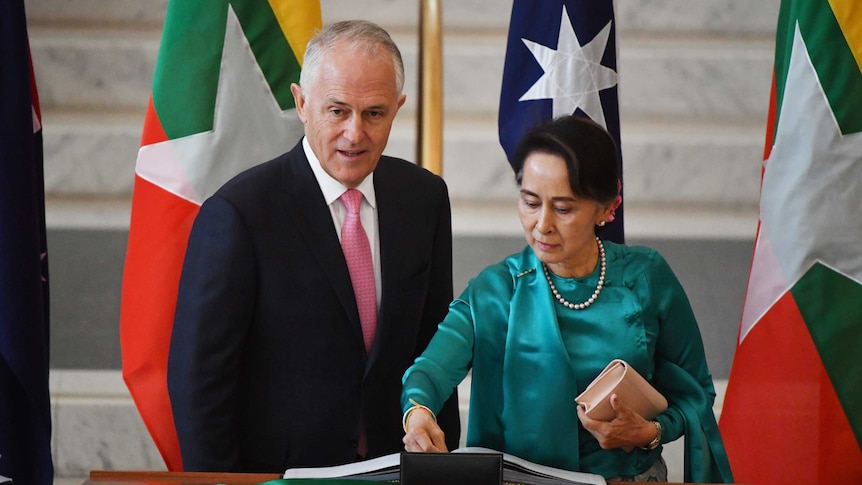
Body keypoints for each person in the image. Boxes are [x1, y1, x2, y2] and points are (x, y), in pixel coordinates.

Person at [167, 20, 461, 473]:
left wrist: (441, 471)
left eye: (374, 113)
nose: (355, 134)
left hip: (397, 470)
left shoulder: (424, 198)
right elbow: (198, 383)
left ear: (398, 108)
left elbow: (432, 345)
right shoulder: (240, 214)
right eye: (337, 111)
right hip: (280, 477)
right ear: (302, 104)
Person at [400, 115, 734, 483]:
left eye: (563, 208)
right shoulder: (495, 290)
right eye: (530, 202)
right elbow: (430, 371)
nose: (542, 224)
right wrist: (418, 414)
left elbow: (696, 392)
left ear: (608, 207)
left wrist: (650, 432)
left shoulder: (646, 278)